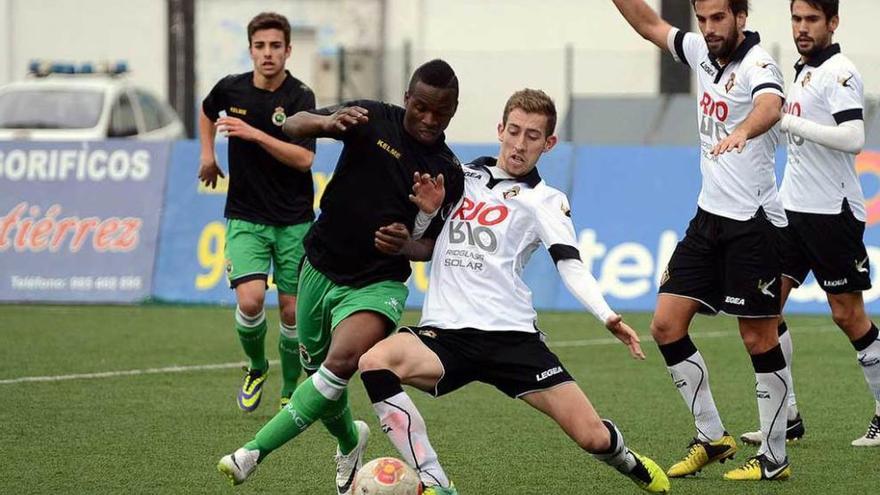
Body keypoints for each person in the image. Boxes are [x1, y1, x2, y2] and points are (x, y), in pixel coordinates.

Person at [358, 89, 670, 494]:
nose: (520, 145)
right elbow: (422, 241)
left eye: (533, 136)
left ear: (549, 143)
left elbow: (570, 264)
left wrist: (607, 315)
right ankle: (435, 481)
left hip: (512, 339)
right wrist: (428, 212)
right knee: (374, 362)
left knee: (592, 437)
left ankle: (629, 461)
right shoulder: (459, 177)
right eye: (515, 131)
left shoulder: (546, 200)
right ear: (500, 129)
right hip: (447, 336)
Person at [217, 59, 465, 495]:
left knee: (339, 366)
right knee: (319, 376)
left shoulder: (448, 170)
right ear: (407, 98)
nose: (429, 119)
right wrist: (326, 122)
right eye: (420, 107)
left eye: (440, 113)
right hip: (319, 266)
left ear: (453, 111)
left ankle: (252, 453)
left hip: (378, 284)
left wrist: (410, 239)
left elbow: (433, 248)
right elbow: (293, 124)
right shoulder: (370, 117)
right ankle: (350, 442)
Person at [612, 0, 794, 481]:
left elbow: (771, 105)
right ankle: (712, 436)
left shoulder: (759, 64)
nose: (710, 28)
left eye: (719, 18)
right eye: (704, 18)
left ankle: (775, 457)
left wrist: (741, 131)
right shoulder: (698, 51)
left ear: (741, 17)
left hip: (754, 224)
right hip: (708, 219)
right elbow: (649, 23)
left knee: (757, 336)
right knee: (666, 325)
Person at [740, 0, 880, 448]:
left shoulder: (840, 72)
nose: (802, 28)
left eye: (811, 20)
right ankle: (788, 417)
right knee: (764, 311)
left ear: (832, 23)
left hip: (832, 214)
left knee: (847, 314)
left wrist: (788, 120)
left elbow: (854, 137)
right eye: (796, 19)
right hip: (791, 211)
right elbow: (792, 130)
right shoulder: (800, 71)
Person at [198, 12, 316, 412]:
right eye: (261, 46)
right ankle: (254, 366)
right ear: (251, 49)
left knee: (291, 309)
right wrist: (207, 155)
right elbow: (206, 110)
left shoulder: (301, 98)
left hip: (294, 220)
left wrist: (255, 134)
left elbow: (303, 159)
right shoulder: (231, 90)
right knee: (249, 302)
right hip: (246, 216)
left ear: (288, 50)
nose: (268, 54)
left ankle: (289, 388)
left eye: (275, 46)